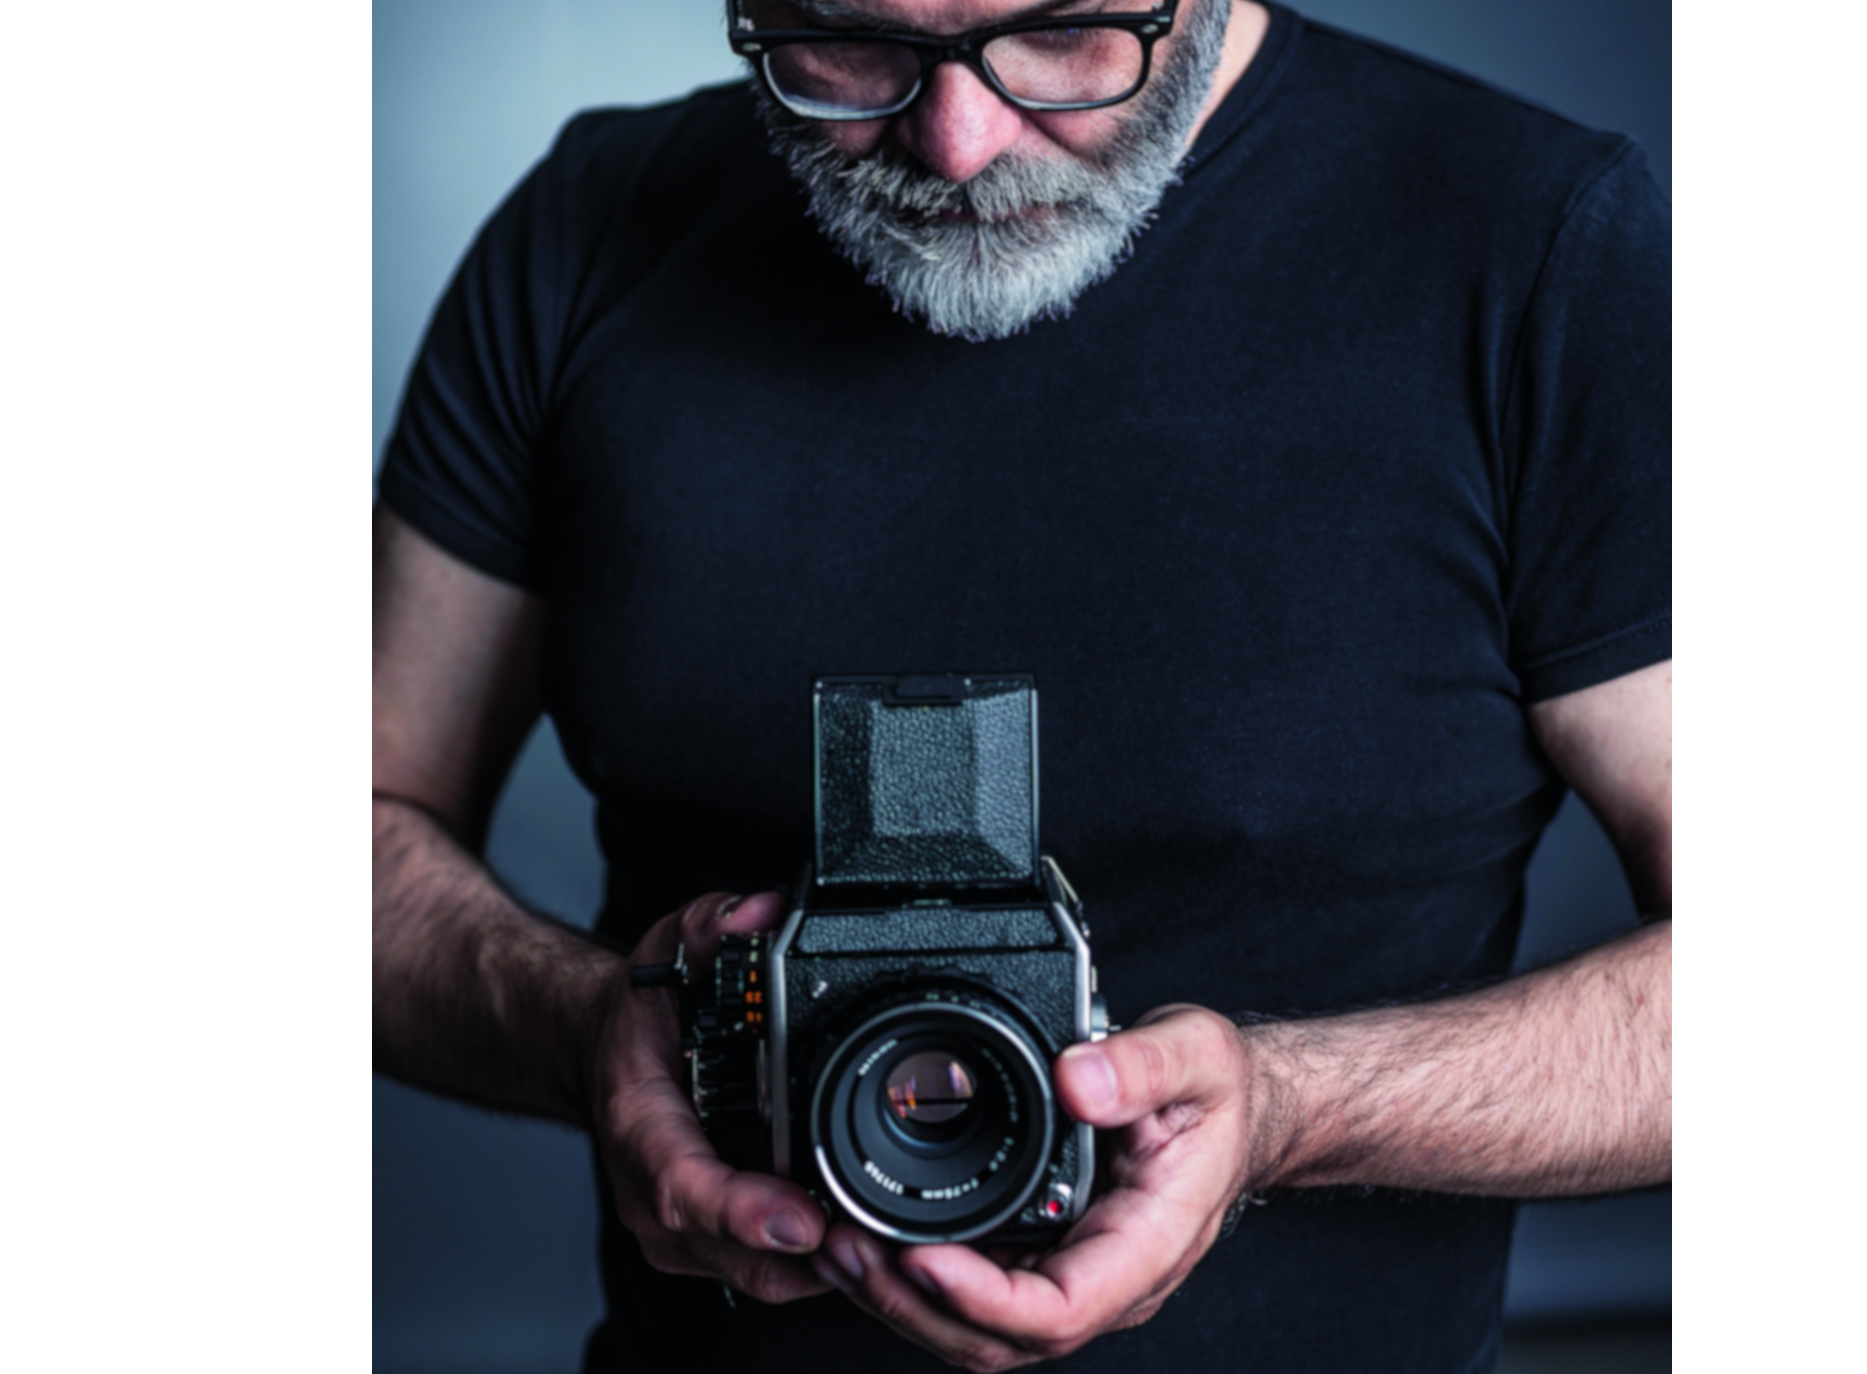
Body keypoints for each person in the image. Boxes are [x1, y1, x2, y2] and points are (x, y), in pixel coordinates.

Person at [372, 0, 1670, 1368]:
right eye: (848, 40)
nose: (958, 141)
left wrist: (1290, 1109)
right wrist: (589, 1027)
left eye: (1066, 34)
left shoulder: (1538, 247)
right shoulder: (590, 227)